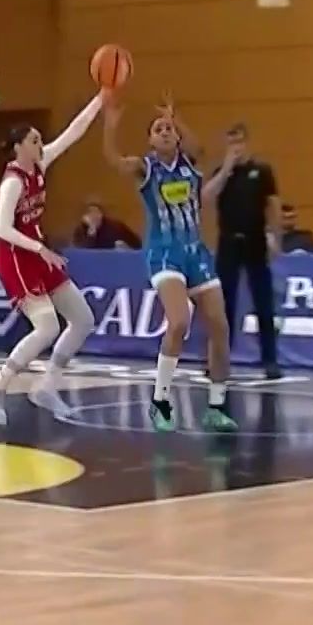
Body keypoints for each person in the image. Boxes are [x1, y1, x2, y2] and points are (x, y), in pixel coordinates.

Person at [102, 97, 236, 433]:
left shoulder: (189, 164)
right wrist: (111, 124)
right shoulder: (145, 168)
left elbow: (199, 147)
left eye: (168, 129)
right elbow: (113, 160)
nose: (164, 132)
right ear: (150, 140)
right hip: (164, 253)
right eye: (158, 129)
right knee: (178, 323)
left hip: (196, 252)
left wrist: (177, 120)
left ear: (177, 137)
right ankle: (160, 400)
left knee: (220, 327)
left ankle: (216, 405)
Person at [0, 92, 105, 424]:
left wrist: (102, 97)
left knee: (83, 319)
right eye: (34, 140)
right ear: (19, 147)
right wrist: (40, 249)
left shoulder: (41, 163)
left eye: (39, 139)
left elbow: (74, 132)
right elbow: (2, 229)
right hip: (16, 257)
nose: (40, 144)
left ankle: (47, 387)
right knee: (47, 326)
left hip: (38, 252)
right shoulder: (12, 183)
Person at [211, 123, 283, 382]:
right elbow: (207, 196)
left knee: (263, 303)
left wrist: (275, 235)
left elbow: (273, 204)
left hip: (255, 240)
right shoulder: (221, 173)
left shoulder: (261, 172)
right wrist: (226, 169)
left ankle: (270, 360)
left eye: (239, 142)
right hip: (228, 243)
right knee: (224, 305)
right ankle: (220, 360)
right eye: (231, 143)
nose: (236, 148)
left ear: (247, 143)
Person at [69, 200, 140, 250]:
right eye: (90, 213)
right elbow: (82, 252)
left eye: (96, 213)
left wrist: (126, 248)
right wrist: (91, 234)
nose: (94, 216)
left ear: (102, 214)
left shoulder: (116, 227)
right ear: (84, 217)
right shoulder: (80, 230)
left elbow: (136, 244)